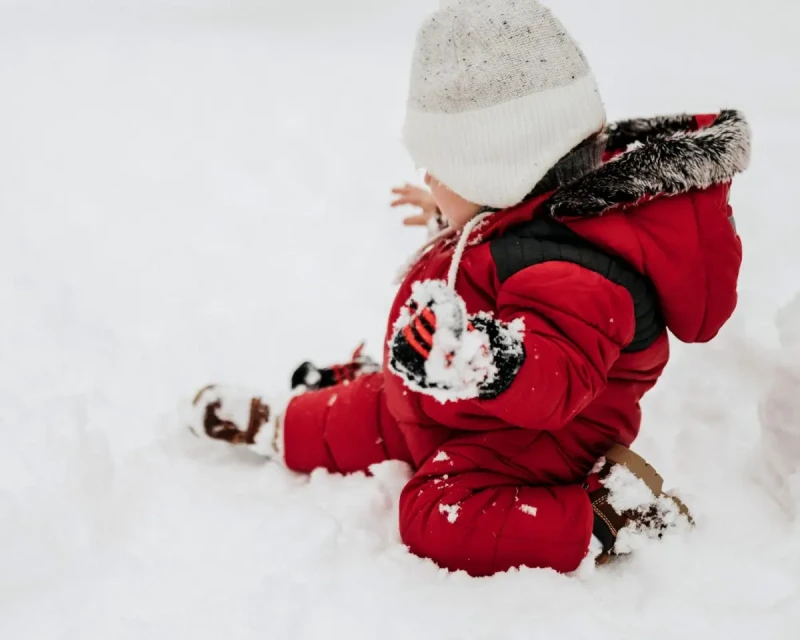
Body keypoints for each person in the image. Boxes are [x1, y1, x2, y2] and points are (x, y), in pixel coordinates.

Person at [185, 0, 749, 575]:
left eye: (442, 168)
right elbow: (508, 238)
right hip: (456, 402)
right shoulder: (525, 210)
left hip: (527, 441)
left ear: (494, 173)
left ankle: (607, 517)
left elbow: (557, 378)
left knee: (436, 516)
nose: (427, 177)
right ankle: (278, 425)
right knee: (374, 411)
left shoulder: (580, 271)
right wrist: (448, 211)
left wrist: (476, 358)